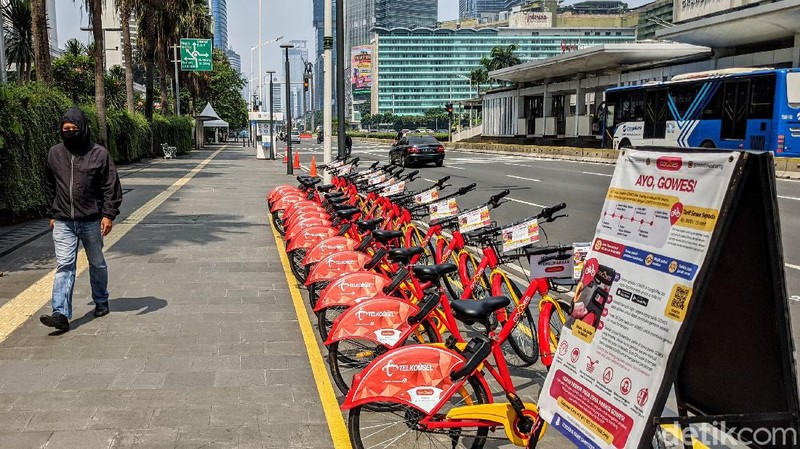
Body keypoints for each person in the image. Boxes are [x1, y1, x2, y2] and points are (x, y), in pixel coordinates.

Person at [39, 107, 123, 332]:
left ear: (83, 128)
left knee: (96, 263)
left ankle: (101, 300)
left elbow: (110, 186)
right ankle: (60, 314)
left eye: (74, 128)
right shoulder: (54, 153)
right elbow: (49, 184)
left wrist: (108, 214)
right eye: (65, 129)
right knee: (65, 265)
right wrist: (52, 212)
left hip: (91, 220)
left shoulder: (99, 154)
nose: (69, 132)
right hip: (63, 221)